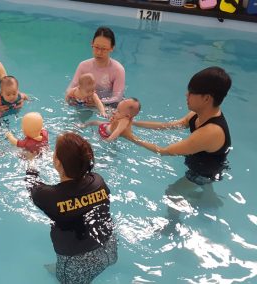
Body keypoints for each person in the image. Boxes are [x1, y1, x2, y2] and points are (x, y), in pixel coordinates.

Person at [123, 67, 231, 232]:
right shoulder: (199, 114)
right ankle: (209, 199)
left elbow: (164, 151)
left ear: (206, 98)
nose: (186, 95)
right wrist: (134, 122)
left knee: (172, 192)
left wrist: (130, 137)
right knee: (206, 183)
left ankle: (173, 225)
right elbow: (170, 126)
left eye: (191, 92)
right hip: (210, 162)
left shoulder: (210, 132)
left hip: (202, 172)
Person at [26, 132, 117, 284]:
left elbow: (31, 183)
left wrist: (31, 162)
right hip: (109, 250)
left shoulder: (48, 196)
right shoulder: (98, 181)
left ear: (58, 163)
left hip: (75, 266)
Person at [66, 26, 125, 107]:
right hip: (84, 102)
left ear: (112, 48)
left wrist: (97, 102)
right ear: (92, 44)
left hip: (107, 105)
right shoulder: (83, 66)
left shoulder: (118, 70)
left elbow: (117, 97)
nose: (99, 52)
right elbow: (71, 88)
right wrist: (74, 99)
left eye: (104, 49)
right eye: (96, 47)